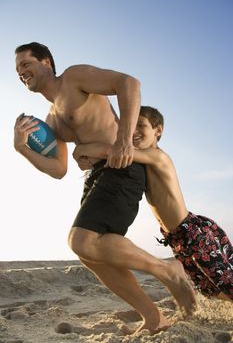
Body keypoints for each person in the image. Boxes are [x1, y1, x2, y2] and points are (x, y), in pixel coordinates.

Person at [14, 42, 196, 335]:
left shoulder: (73, 78)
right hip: (98, 176)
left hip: (122, 166)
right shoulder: (52, 118)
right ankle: (153, 317)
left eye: (26, 64)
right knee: (90, 254)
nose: (21, 73)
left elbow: (129, 83)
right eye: (18, 70)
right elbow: (59, 169)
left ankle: (169, 270)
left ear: (46, 62)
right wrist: (22, 149)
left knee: (81, 240)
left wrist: (124, 139)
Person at [74, 106, 233, 301]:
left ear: (158, 131)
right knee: (209, 287)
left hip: (192, 231)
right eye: (131, 126)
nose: (134, 132)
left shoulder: (158, 156)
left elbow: (111, 150)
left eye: (141, 125)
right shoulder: (143, 161)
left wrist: (79, 150)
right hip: (176, 237)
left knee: (226, 281)